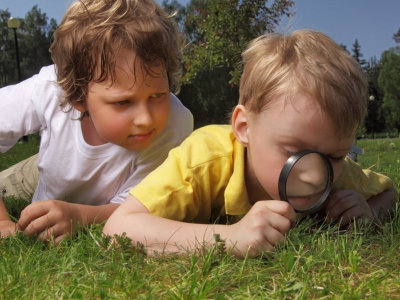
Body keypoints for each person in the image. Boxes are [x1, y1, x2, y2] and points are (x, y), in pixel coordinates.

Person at [103, 29, 397, 258]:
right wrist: (229, 239)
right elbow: (118, 229)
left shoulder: (336, 173)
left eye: (334, 155)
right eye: (294, 152)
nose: (315, 176)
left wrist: (369, 212)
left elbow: (389, 193)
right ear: (244, 128)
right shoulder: (203, 160)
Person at [0, 0, 193, 244]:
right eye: (123, 102)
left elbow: (137, 209)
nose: (146, 120)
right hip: (42, 168)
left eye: (157, 95)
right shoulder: (49, 89)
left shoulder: (173, 126)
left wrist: (79, 216)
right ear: (78, 97)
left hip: (67, 176)